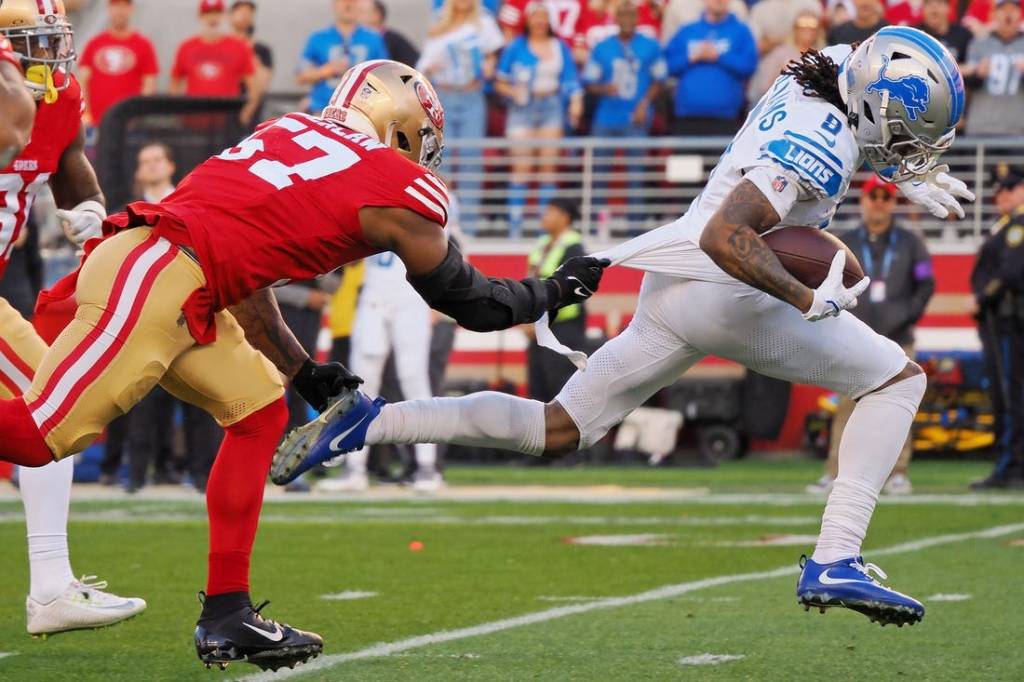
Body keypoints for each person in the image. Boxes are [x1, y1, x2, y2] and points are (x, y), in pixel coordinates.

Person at [285, 28, 974, 628]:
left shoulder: (839, 65)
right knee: (895, 379)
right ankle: (836, 556)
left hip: (673, 292)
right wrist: (804, 297)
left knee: (558, 429)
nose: (910, 151)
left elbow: (854, 110)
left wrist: (888, 167)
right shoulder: (819, 139)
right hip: (727, 288)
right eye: (906, 136)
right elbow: (725, 235)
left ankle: (371, 424)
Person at [0, 59, 605, 670]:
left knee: (260, 411)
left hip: (182, 273)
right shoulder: (395, 187)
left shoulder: (285, 129)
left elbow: (246, 263)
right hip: (157, 272)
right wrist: (553, 291)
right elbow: (471, 303)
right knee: (37, 437)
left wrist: (298, 369)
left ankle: (227, 615)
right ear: (401, 128)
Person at [0, 0, 146, 636]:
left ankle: (53, 586)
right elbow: (12, 130)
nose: (48, 53)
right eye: (31, 40)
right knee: (50, 402)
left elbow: (69, 169)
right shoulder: (14, 101)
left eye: (52, 38)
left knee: (54, 401)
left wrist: (89, 213)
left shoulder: (57, 95)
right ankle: (52, 585)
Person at [806, 176, 935, 497]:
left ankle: (899, 472)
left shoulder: (910, 243)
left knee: (898, 406)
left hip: (897, 337)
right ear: (863, 201)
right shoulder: (844, 242)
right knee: (846, 406)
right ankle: (834, 471)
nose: (878, 202)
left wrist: (906, 315)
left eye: (885, 197)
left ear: (893, 204)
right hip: (852, 336)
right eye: (872, 196)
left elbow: (926, 285)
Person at [322, 249, 444, 493]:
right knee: (361, 384)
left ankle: (427, 465)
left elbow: (442, 244)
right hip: (373, 298)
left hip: (412, 296)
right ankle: (355, 466)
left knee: (414, 379)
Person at [495, 2, 582, 235]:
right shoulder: (516, 46)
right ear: (528, 20)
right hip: (522, 108)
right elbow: (500, 80)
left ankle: (547, 227)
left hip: (551, 105)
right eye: (536, 16)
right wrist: (514, 92)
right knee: (521, 168)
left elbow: (571, 79)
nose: (540, 21)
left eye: (545, 16)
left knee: (548, 169)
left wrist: (575, 101)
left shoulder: (559, 46)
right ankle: (515, 227)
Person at [417, 0, 504, 228]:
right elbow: (424, 63)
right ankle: (441, 221)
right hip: (443, 95)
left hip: (471, 96)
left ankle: (469, 226)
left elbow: (493, 56)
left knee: (471, 159)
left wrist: (488, 67)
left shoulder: (484, 23)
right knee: (440, 160)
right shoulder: (439, 24)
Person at [584, 0, 666, 221]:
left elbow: (660, 79)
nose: (628, 20)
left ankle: (634, 229)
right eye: (623, 15)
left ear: (638, 19)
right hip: (606, 116)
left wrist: (644, 103)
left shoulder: (649, 45)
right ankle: (596, 224)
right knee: (600, 174)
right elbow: (589, 81)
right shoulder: (603, 47)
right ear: (616, 19)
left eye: (632, 15)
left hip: (635, 117)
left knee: (635, 176)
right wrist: (604, 88)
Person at [969, 171, 1024, 489]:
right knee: (1008, 392)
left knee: (1008, 393)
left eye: (1007, 189)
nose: (1000, 196)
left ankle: (1009, 464)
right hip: (1001, 322)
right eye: (998, 191)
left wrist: (982, 296)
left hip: (1007, 322)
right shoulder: (1006, 224)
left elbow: (1011, 270)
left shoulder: (1017, 226)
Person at [664, 0, 757, 136]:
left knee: (721, 158)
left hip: (726, 118)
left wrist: (719, 56)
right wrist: (691, 57)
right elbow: (668, 66)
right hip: (687, 117)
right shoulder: (687, 31)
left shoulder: (741, 32)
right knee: (686, 158)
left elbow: (749, 66)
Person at [526, 199, 587, 403]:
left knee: (560, 390)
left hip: (563, 329)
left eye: (550, 212)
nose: (544, 216)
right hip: (539, 327)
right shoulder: (543, 244)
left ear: (565, 217)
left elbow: (568, 290)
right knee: (537, 390)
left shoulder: (574, 247)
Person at [170, 0, 261, 126]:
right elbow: (175, 83)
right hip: (194, 118)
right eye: (208, 13)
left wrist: (245, 114)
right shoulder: (186, 47)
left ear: (223, 15)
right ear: (200, 16)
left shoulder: (238, 47)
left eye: (216, 13)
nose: (212, 18)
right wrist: (178, 112)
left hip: (227, 120)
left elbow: (253, 86)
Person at [297, 0, 389, 115]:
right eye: (343, 1)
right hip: (322, 110)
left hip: (361, 113)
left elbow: (385, 78)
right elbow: (301, 76)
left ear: (359, 5)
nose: (348, 4)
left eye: (353, 1)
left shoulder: (374, 38)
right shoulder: (318, 38)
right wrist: (326, 70)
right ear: (334, 4)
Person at [77, 0, 158, 127]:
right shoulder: (95, 44)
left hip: (129, 125)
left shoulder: (143, 45)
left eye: (124, 6)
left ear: (131, 9)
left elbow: (149, 86)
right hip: (97, 123)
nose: (120, 11)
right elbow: (83, 81)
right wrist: (86, 114)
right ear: (109, 9)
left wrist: (136, 116)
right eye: (116, 6)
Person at [962, 0, 1024, 137]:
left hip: (1018, 128)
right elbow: (966, 85)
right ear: (994, 14)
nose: (1008, 14)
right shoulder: (978, 43)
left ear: (1020, 14)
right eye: (1003, 10)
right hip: (981, 126)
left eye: (1013, 10)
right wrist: (977, 73)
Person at [747, 11, 823, 104]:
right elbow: (763, 86)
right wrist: (780, 74)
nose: (807, 30)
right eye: (802, 26)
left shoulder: (823, 55)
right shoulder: (780, 53)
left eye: (812, 27)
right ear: (795, 29)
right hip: (782, 104)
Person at [228, 1, 273, 121]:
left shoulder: (261, 50)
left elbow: (263, 83)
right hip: (225, 109)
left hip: (251, 113)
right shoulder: (223, 47)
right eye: (240, 11)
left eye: (249, 12)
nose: (245, 16)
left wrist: (249, 54)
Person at [746, 0, 821, 56]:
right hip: (771, 57)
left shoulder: (810, 3)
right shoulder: (760, 9)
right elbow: (752, 48)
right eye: (802, 24)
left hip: (811, 52)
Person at [364, 0, 420, 67]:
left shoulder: (392, 39)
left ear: (377, 14)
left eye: (363, 12)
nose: (359, 16)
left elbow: (415, 61)